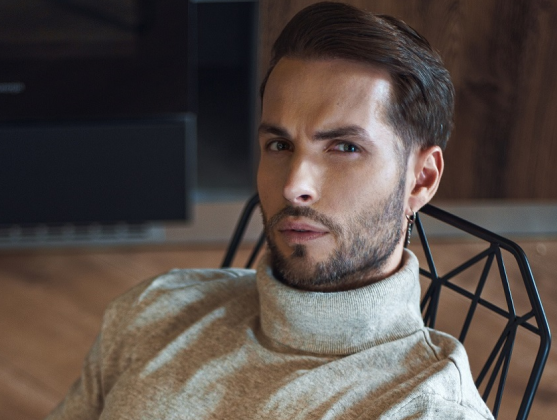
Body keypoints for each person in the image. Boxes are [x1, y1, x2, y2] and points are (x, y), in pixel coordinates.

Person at [47, 2, 494, 419]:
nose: (294, 186)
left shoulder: (427, 408)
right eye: (279, 145)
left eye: (344, 147)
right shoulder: (157, 308)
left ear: (422, 179)